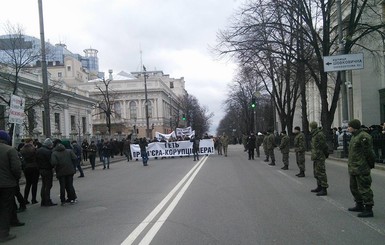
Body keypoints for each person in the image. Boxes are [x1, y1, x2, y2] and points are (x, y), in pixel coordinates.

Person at [347, 119, 376, 218]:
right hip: (353, 168)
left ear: (354, 127)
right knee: (354, 188)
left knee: (364, 188)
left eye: (349, 126)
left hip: (361, 167)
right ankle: (359, 205)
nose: (348, 128)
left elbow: (369, 153)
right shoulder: (354, 136)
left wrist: (370, 164)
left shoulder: (364, 137)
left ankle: (368, 209)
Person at [0, 130, 23, 242]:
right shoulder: (10, 150)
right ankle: (3, 233)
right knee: (5, 207)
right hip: (7, 184)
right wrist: (16, 178)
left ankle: (13, 220)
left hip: (6, 182)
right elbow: (16, 168)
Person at [51, 139, 77, 205]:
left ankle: (63, 200)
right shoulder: (69, 151)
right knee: (70, 185)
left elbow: (54, 162)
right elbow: (75, 158)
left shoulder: (54, 153)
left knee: (62, 186)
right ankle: (72, 199)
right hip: (70, 170)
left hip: (60, 171)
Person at [309, 121, 328, 196]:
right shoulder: (314, 134)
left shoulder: (319, 134)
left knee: (321, 172)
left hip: (319, 156)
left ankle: (324, 188)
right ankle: (319, 186)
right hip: (316, 156)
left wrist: (326, 153)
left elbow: (324, 145)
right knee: (316, 172)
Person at [36, 138, 56, 207]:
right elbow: (51, 161)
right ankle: (47, 201)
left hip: (41, 169)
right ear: (49, 145)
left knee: (44, 185)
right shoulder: (48, 151)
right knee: (48, 185)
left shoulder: (38, 150)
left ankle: (43, 201)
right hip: (47, 170)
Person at [20, 138, 39, 204]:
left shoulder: (22, 149)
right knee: (34, 184)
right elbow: (37, 156)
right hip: (34, 167)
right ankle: (33, 199)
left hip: (26, 167)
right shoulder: (33, 149)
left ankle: (25, 199)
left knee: (28, 183)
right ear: (31, 141)